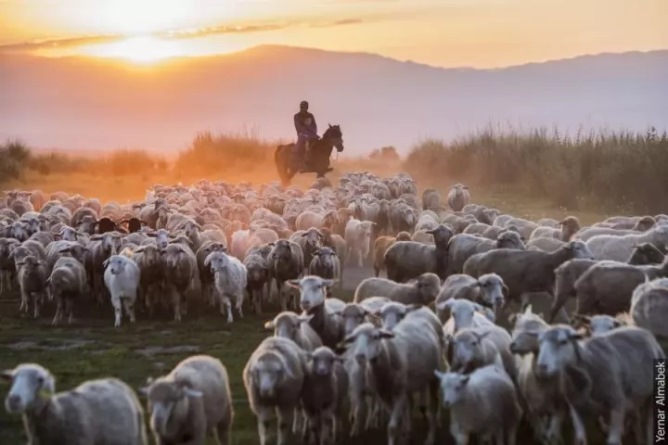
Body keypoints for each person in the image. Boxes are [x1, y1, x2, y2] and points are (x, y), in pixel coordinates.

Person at [293, 100, 318, 172]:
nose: (305, 108)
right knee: (301, 148)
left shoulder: (310, 115)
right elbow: (299, 127)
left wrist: (314, 133)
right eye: (303, 107)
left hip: (312, 135)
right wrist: (306, 134)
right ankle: (301, 164)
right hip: (302, 135)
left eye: (306, 107)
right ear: (301, 107)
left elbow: (314, 126)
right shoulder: (297, 116)